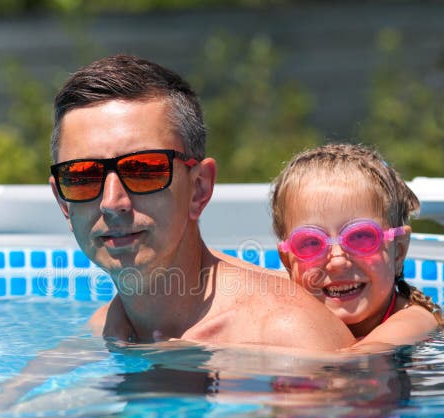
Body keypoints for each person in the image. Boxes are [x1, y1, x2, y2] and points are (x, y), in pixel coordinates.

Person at [49, 54, 353, 350]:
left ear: (199, 188)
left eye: (144, 169)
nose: (112, 203)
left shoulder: (289, 338)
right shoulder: (102, 332)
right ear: (63, 201)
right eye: (82, 176)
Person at [270, 143, 444, 350]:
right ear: (288, 263)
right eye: (311, 242)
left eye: (360, 237)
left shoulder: (413, 320)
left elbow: (354, 364)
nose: (337, 261)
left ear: (398, 251)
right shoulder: (285, 301)